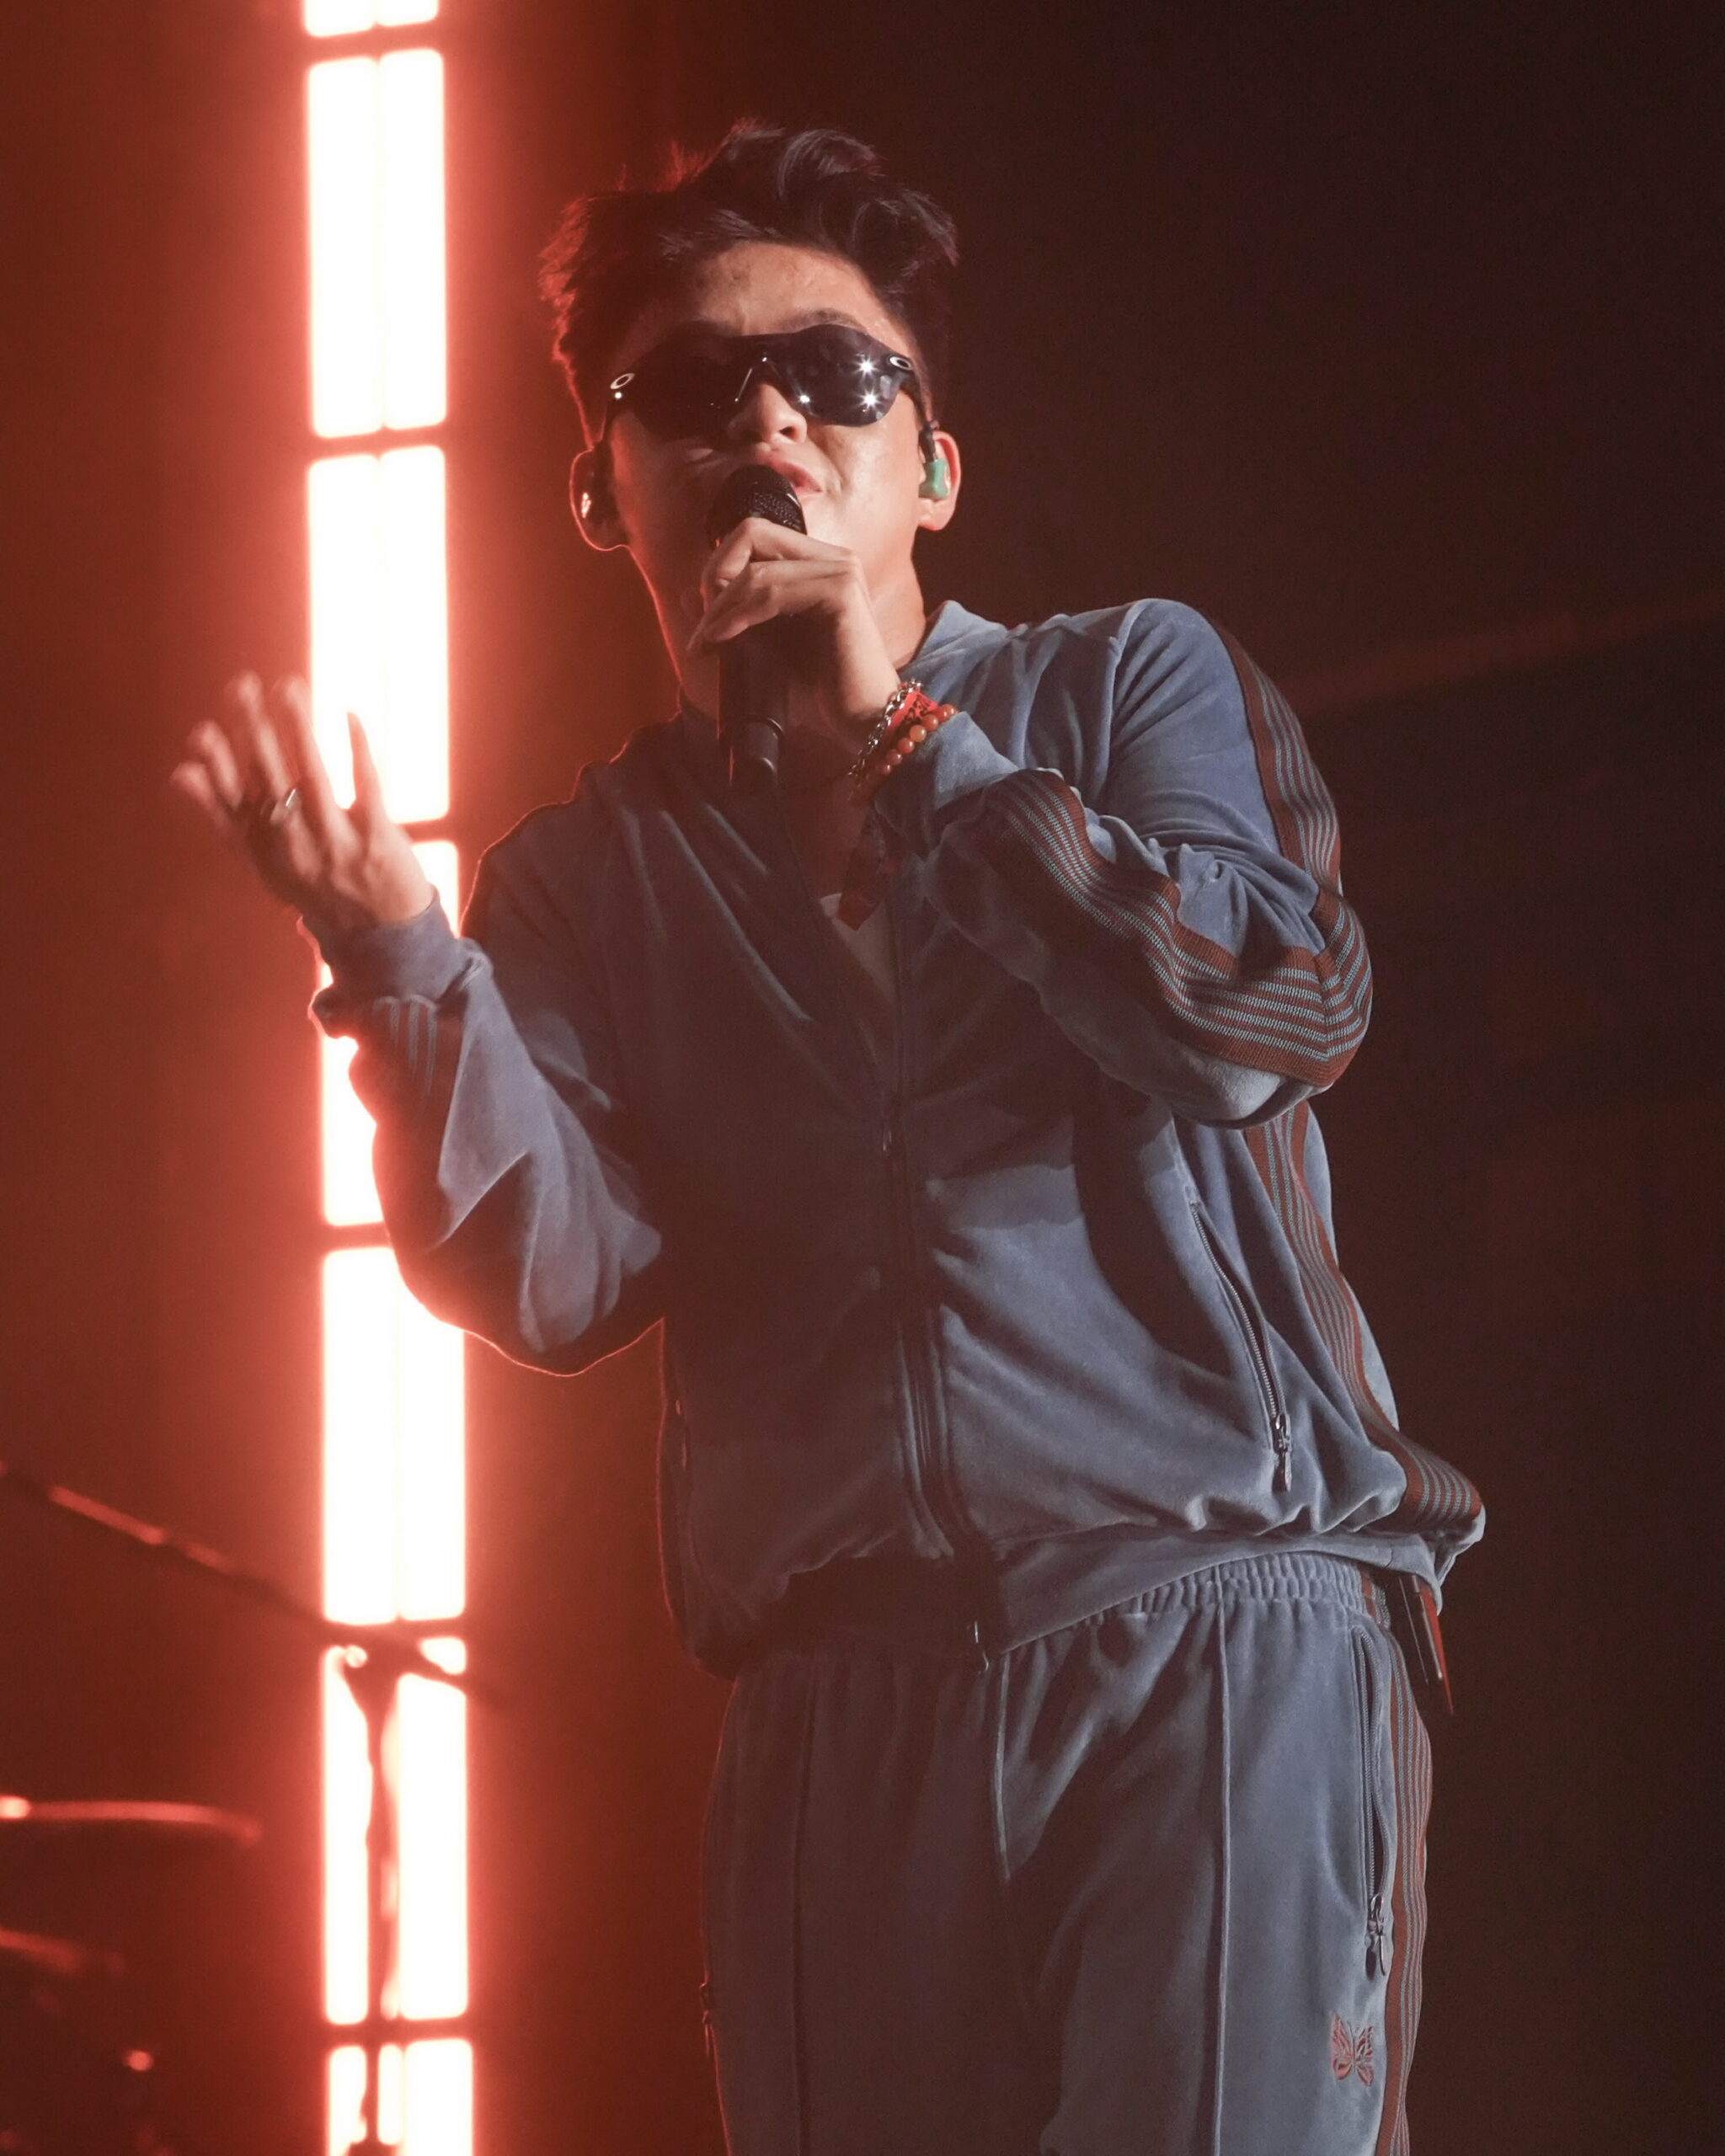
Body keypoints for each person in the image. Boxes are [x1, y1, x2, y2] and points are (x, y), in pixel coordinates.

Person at [173, 122, 1481, 2156]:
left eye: (837, 375)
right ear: (604, 489)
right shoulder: (587, 879)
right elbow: (553, 1274)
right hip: (843, 1697)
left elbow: (1266, 1015)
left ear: (931, 468)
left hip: (1207, 1614)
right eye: (692, 386)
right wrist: (393, 954)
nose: (769, 416)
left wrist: (910, 743)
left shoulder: (1123, 682)